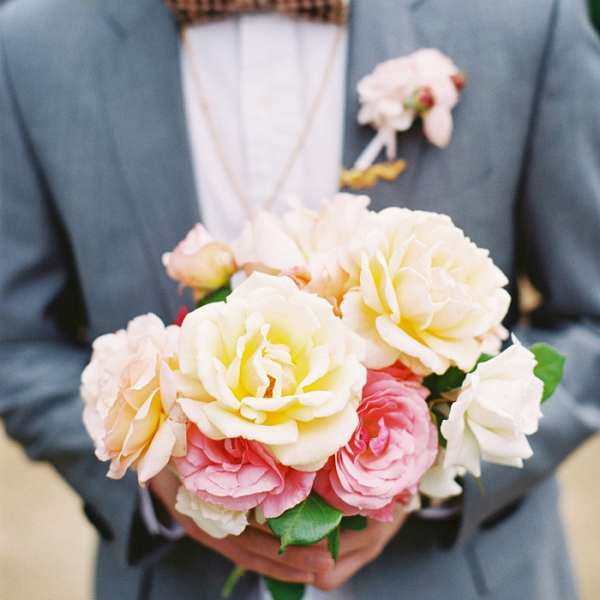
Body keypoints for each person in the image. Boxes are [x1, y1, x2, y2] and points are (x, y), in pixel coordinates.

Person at [1, 1, 599, 599]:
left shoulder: (526, 17)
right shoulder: (29, 47)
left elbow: (590, 317)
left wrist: (439, 469)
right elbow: (14, 343)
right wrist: (154, 479)